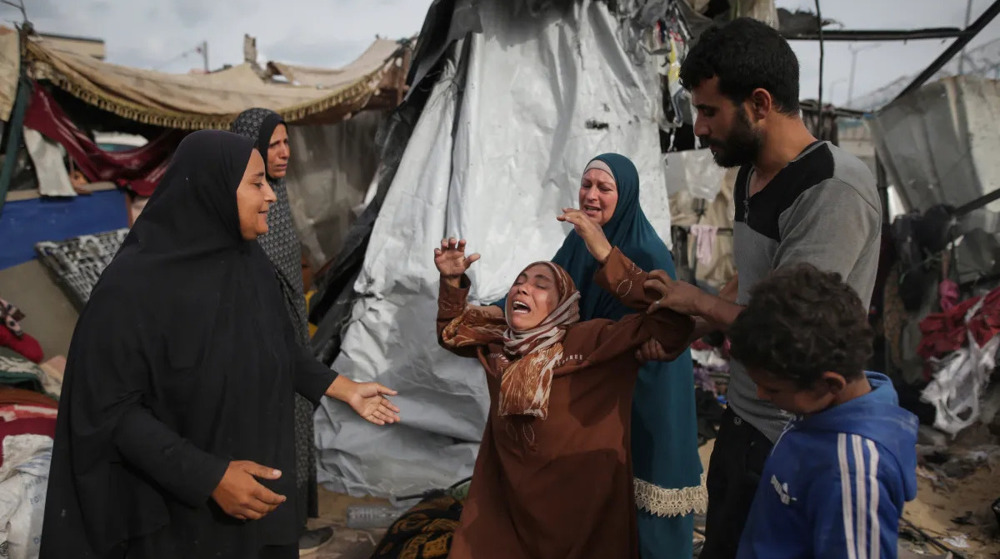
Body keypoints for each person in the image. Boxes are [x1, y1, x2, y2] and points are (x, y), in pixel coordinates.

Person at [40, 130, 400, 559]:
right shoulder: (134, 288)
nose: (270, 195)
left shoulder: (251, 268)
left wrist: (343, 388)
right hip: (180, 516)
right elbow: (109, 410)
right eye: (255, 183)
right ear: (212, 189)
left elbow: (279, 351)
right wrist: (209, 477)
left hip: (258, 505)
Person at [641, 17, 882, 559]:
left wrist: (696, 299)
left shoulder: (831, 192)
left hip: (793, 435)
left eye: (708, 111)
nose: (698, 128)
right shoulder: (752, 173)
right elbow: (754, 281)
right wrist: (701, 322)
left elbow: (796, 328)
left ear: (759, 103)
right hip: (747, 413)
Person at [435, 224, 695, 559]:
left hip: (581, 516)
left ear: (565, 303)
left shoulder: (591, 340)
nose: (523, 290)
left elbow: (673, 325)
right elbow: (452, 333)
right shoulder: (500, 343)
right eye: (518, 283)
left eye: (540, 285)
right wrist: (452, 282)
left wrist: (608, 259)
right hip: (508, 507)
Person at [501, 153, 705, 557]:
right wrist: (492, 307)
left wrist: (602, 251)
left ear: (625, 194)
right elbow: (551, 293)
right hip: (605, 384)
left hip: (649, 386)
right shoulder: (576, 243)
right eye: (586, 185)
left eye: (604, 188)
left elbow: (666, 323)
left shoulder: (647, 252)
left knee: (648, 498)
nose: (591, 195)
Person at [721, 264, 918, 559]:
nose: (761, 395)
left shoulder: (851, 473)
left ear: (829, 383)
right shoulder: (816, 411)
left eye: (772, 389)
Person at [230, 107, 327, 553]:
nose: (285, 152)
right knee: (270, 430)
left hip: (291, 336)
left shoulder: (278, 196)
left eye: (287, 142)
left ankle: (293, 522)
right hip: (263, 343)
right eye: (274, 144)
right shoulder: (239, 208)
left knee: (296, 423)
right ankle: (276, 528)